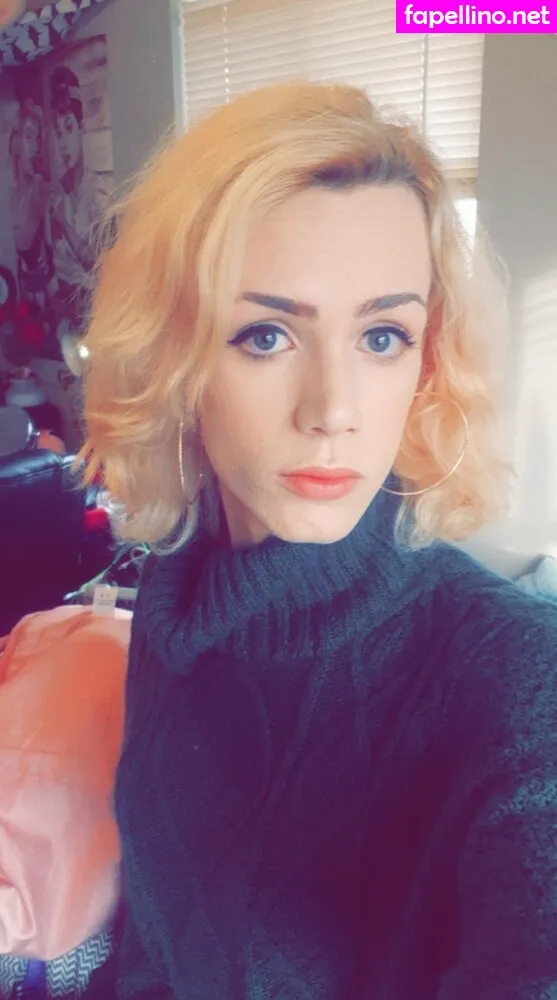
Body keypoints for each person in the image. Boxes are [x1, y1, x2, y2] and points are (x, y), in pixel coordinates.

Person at [79, 82, 557, 1000]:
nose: (334, 410)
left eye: (382, 336)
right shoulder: (176, 614)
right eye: (265, 335)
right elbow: (155, 944)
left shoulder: (519, 678)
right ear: (174, 362)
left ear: (428, 359)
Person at [47, 65, 109, 337]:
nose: (63, 143)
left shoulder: (96, 191)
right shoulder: (57, 192)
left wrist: (63, 223)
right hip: (64, 314)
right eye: (58, 132)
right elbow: (54, 262)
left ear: (82, 128)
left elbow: (98, 263)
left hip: (94, 313)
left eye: (69, 128)